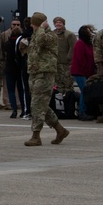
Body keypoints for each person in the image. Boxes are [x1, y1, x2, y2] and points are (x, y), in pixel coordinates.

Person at [23, 12, 71, 146]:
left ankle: (36, 136)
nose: (31, 26)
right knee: (41, 104)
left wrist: (41, 28)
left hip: (45, 74)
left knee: (36, 105)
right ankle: (60, 130)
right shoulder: (37, 34)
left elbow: (40, 41)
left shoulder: (49, 35)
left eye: (34, 24)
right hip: (35, 73)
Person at [70, 24, 96, 120]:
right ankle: (81, 111)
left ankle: (84, 110)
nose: (91, 33)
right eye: (89, 31)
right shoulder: (80, 43)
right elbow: (81, 59)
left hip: (87, 72)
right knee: (84, 90)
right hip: (79, 71)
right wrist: (87, 71)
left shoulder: (89, 44)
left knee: (85, 90)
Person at [52, 16, 77, 104]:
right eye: (56, 22)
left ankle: (69, 105)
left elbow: (73, 48)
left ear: (63, 24)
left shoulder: (69, 35)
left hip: (66, 64)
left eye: (60, 22)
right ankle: (60, 106)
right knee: (58, 85)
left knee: (68, 84)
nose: (58, 24)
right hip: (55, 64)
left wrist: (68, 58)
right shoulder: (52, 34)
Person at [3, 26, 26, 118]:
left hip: (9, 69)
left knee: (11, 90)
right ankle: (23, 109)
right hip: (19, 69)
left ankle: (14, 109)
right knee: (21, 90)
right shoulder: (22, 43)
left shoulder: (7, 44)